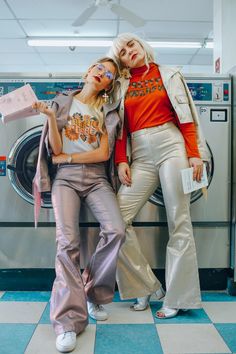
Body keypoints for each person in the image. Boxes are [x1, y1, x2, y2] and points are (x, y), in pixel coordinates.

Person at [108, 33, 210, 319]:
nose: (130, 52)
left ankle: (177, 297)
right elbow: (119, 129)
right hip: (139, 152)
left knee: (179, 219)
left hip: (171, 144)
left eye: (132, 46)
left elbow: (186, 116)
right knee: (116, 219)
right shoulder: (120, 86)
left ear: (141, 46)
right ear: (121, 61)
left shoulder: (169, 73)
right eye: (123, 52)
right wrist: (120, 161)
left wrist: (194, 153)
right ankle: (146, 286)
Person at [33, 57, 125, 353]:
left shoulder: (108, 110)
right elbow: (55, 150)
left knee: (116, 230)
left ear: (110, 84)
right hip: (66, 180)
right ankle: (68, 322)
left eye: (109, 73)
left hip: (98, 178)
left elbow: (102, 152)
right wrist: (49, 116)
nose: (103, 73)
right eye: (99, 67)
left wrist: (70, 158)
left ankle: (93, 293)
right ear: (88, 71)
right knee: (67, 242)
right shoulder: (61, 102)